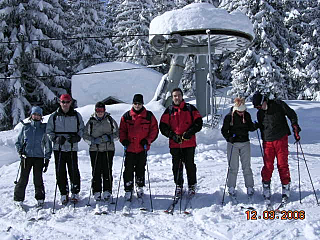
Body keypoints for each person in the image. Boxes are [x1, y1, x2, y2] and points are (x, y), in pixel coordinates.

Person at [252, 92, 301, 203]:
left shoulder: (278, 104)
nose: (259, 109)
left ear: (264, 100)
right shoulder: (260, 113)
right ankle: (266, 187)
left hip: (281, 139)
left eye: (260, 106)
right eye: (257, 108)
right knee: (268, 166)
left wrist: (295, 126)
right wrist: (256, 126)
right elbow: (262, 126)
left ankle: (285, 187)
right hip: (268, 141)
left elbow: (291, 114)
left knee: (282, 164)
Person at [159, 88, 203, 197]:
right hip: (175, 144)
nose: (177, 97)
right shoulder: (168, 110)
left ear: (182, 96)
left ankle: (192, 185)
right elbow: (163, 127)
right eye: (175, 96)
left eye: (178, 95)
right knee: (176, 166)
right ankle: (179, 186)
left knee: (190, 165)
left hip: (189, 143)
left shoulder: (190, 108)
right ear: (172, 97)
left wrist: (189, 133)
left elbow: (198, 123)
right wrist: (172, 136)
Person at [119, 94, 159, 201]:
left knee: (140, 168)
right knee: (128, 169)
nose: (137, 105)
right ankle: (128, 189)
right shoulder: (126, 116)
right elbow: (122, 130)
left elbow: (154, 130)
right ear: (133, 104)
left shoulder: (149, 116)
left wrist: (148, 140)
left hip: (142, 148)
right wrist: (124, 140)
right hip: (130, 148)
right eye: (135, 103)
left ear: (142, 104)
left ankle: (140, 187)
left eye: (139, 103)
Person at [46, 94, 84, 205]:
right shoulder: (54, 116)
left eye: (67, 102)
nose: (65, 104)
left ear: (71, 102)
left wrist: (77, 137)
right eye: (63, 102)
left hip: (72, 147)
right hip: (59, 148)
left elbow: (81, 128)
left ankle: (75, 192)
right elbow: (49, 131)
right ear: (60, 102)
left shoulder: (76, 115)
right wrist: (55, 138)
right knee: (60, 172)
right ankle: (63, 192)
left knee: (74, 170)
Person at [14, 106, 52, 208]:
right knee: (23, 178)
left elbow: (48, 145)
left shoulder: (43, 129)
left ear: (41, 116)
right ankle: (18, 199)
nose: (36, 116)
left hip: (39, 157)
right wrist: (20, 150)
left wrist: (47, 158)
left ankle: (40, 198)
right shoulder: (26, 128)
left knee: (38, 179)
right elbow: (18, 142)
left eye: (39, 115)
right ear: (31, 115)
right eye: (35, 114)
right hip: (27, 157)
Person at [221, 97, 256, 202]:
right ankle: (231, 187)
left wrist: (255, 126)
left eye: (243, 111)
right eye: (240, 111)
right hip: (233, 144)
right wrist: (228, 137)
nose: (241, 113)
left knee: (247, 166)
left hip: (245, 142)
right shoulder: (229, 117)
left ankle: (250, 186)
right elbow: (224, 130)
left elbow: (250, 126)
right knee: (233, 167)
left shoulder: (247, 115)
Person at [83, 102, 119, 203]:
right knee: (96, 171)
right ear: (95, 111)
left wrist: (109, 137)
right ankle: (96, 191)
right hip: (95, 149)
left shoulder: (110, 120)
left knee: (107, 170)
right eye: (98, 111)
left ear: (104, 111)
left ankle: (107, 190)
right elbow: (85, 136)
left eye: (101, 111)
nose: (100, 113)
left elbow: (117, 134)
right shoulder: (91, 122)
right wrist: (93, 141)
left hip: (108, 149)